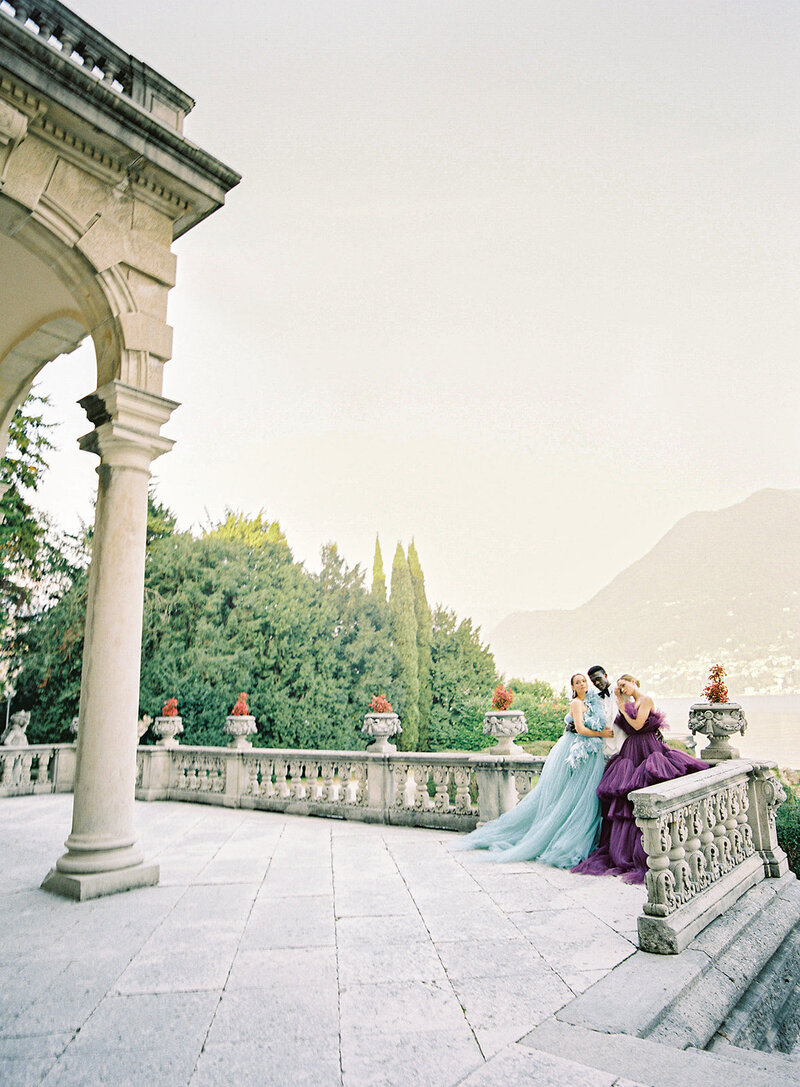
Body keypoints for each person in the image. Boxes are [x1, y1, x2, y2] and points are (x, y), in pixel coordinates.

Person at [454, 674, 614, 867]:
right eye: (578, 682)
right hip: (578, 750)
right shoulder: (576, 704)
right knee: (571, 796)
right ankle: (562, 839)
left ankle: (583, 838)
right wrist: (601, 734)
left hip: (592, 754)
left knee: (586, 797)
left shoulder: (593, 701)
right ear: (573, 686)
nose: (582, 684)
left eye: (583, 681)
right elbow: (580, 728)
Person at [572, 674, 710, 884]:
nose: (623, 689)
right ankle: (626, 851)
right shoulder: (629, 703)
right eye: (619, 687)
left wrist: (622, 708)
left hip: (647, 748)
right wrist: (620, 706)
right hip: (631, 750)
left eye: (624, 684)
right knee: (626, 799)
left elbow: (637, 725)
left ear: (634, 682)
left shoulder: (645, 700)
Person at [586, 665, 625, 758]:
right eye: (593, 681)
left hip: (623, 746)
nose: (597, 682)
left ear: (606, 675)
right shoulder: (594, 699)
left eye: (598, 678)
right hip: (605, 751)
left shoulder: (621, 692)